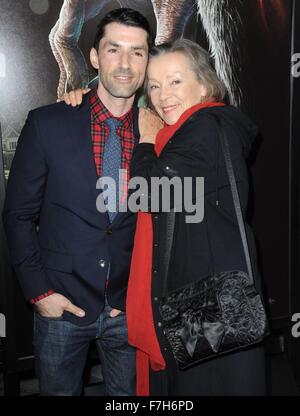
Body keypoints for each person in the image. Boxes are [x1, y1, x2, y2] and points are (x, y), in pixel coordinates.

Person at [2, 8, 156, 396]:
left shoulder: (158, 132)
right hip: (61, 307)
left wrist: (143, 293)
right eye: (114, 49)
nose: (125, 64)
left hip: (129, 308)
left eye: (137, 52)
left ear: (148, 59)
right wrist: (39, 292)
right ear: (93, 57)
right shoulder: (48, 123)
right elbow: (18, 214)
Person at [126, 38, 266, 396]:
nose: (162, 95)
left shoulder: (204, 127)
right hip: (200, 292)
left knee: (203, 385)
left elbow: (148, 193)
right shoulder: (187, 134)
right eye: (153, 86)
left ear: (203, 84)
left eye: (175, 81)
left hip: (206, 298)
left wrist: (145, 142)